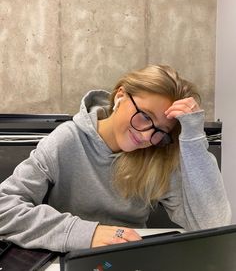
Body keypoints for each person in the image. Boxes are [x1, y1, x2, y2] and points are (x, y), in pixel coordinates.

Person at [0, 64, 231, 253]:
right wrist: (85, 233)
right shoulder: (66, 140)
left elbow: (213, 225)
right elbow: (4, 208)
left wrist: (193, 139)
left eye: (161, 131)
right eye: (145, 117)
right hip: (66, 257)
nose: (146, 136)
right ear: (120, 95)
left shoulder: (157, 155)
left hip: (129, 259)